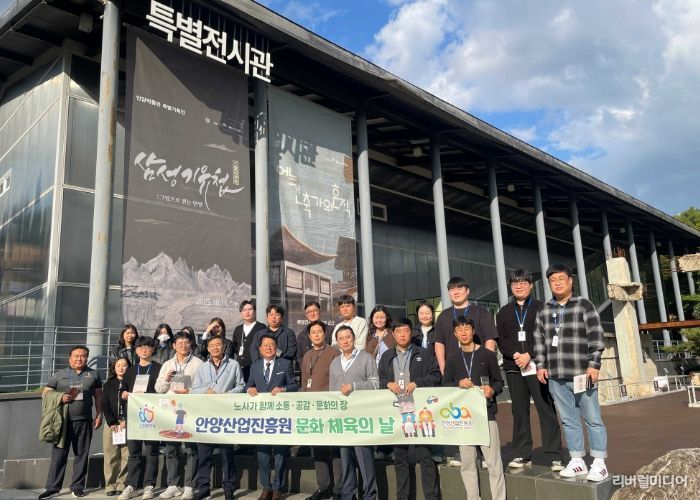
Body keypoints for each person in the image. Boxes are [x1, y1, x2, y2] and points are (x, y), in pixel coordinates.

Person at [534, 263, 609, 482]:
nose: (557, 283)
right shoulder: (545, 309)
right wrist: (540, 364)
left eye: (561, 279)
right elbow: (538, 339)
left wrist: (594, 364)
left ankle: (599, 462)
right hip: (556, 374)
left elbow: (596, 336)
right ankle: (577, 460)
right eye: (552, 280)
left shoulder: (584, 305)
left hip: (582, 373)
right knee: (568, 419)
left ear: (570, 281)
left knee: (592, 418)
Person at [496, 269, 563, 471]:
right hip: (514, 367)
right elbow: (501, 339)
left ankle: (554, 455)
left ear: (531, 285)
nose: (518, 286)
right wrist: (516, 355)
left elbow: (548, 334)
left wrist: (529, 355)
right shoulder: (503, 312)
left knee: (546, 408)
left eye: (522, 282)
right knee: (519, 411)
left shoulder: (542, 307)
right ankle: (522, 454)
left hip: (538, 365)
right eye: (514, 283)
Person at [443, 317, 506, 500]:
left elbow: (498, 381)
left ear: (473, 331)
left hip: (486, 415)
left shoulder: (487, 355)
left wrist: (492, 390)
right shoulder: (452, 357)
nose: (463, 333)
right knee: (467, 464)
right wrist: (458, 383)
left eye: (467, 329)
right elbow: (445, 384)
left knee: (494, 463)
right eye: (459, 330)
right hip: (464, 419)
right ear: (455, 334)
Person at [377, 318, 440, 500]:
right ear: (393, 334)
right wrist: (388, 384)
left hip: (420, 412)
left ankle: (432, 497)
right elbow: (380, 379)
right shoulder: (387, 356)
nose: (402, 335)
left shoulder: (424, 354)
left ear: (411, 332)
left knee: (425, 456)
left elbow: (436, 376)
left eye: (405, 330)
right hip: (397, 412)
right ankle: (403, 497)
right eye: (398, 331)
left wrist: (417, 383)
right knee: (400, 458)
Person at [39, 345, 103, 499]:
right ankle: (53, 488)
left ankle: (77, 487)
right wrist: (60, 397)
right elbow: (45, 393)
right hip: (62, 422)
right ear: (70, 358)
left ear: (86, 358)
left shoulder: (93, 374)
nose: (79, 359)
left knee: (82, 455)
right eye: (76, 356)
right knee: (58, 456)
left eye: (83, 356)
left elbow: (98, 396)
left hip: (84, 421)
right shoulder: (59, 374)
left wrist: (99, 415)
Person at [191, 335, 246, 500]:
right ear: (208, 348)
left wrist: (228, 394)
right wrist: (206, 391)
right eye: (212, 345)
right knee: (204, 456)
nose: (215, 348)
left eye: (218, 345)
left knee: (227, 455)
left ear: (224, 347)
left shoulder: (233, 364)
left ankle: (229, 488)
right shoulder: (202, 367)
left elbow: (241, 386)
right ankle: (203, 488)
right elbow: (194, 389)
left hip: (225, 416)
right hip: (206, 416)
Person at [246, 334, 298, 500]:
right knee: (262, 454)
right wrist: (249, 389)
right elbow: (248, 385)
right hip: (261, 418)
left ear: (276, 348)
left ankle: (277, 488)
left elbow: (294, 385)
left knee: (280, 453)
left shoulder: (285, 363)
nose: (269, 347)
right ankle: (266, 487)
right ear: (260, 349)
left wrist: (283, 389)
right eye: (265, 345)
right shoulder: (255, 366)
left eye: (272, 345)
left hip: (280, 417)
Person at [329, 325, 379, 500]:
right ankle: (348, 495)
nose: (345, 341)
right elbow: (332, 391)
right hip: (343, 419)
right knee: (346, 460)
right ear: (337, 342)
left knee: (364, 459)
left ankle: (369, 495)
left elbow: (376, 384)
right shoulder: (335, 362)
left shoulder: (366, 358)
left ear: (354, 338)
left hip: (361, 417)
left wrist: (354, 386)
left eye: (348, 337)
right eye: (341, 338)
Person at [155, 332, 204, 499]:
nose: (183, 345)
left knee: (191, 449)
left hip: (191, 411)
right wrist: (167, 379)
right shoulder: (167, 364)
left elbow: (204, 387)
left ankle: (189, 486)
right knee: (171, 449)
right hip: (170, 411)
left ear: (191, 345)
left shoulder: (198, 363)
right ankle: (173, 485)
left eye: (186, 342)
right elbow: (158, 389)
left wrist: (189, 391)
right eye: (180, 342)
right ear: (174, 345)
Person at [300, 321, 341, 500]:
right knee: (318, 449)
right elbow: (304, 382)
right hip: (313, 409)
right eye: (313, 332)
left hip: (330, 406)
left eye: (319, 332)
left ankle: (339, 489)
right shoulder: (307, 355)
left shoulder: (334, 352)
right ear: (309, 336)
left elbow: (338, 379)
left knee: (336, 449)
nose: (316, 335)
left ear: (325, 334)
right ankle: (323, 487)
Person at [119, 337, 162, 500]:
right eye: (140, 347)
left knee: (152, 452)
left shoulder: (158, 369)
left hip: (152, 416)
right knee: (134, 453)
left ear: (152, 349)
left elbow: (162, 391)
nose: (144, 350)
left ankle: (149, 485)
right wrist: (124, 395)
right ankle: (131, 485)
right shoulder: (130, 371)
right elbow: (123, 391)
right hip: (133, 416)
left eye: (147, 347)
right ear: (136, 350)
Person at [411, 300, 443, 464]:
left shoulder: (439, 331)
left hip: (434, 376)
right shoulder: (412, 333)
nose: (425, 316)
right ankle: (420, 452)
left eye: (428, 312)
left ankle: (438, 451)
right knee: (418, 416)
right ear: (417, 315)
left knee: (434, 415)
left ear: (432, 314)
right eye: (421, 313)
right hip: (416, 378)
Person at [102, 357, 131, 497]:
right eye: (118, 365)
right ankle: (110, 485)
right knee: (110, 455)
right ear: (114, 368)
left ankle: (122, 483)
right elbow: (104, 403)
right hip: (112, 424)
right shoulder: (108, 384)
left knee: (127, 454)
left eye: (124, 365)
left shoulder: (132, 383)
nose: (121, 368)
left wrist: (127, 419)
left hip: (128, 423)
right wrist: (112, 422)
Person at [230, 300, 266, 381]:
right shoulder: (238, 329)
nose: (247, 312)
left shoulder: (261, 328)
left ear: (255, 312)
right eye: (244, 310)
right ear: (241, 313)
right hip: (240, 369)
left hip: (256, 368)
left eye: (250, 309)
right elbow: (235, 348)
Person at [295, 301, 334, 369]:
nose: (312, 314)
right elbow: (299, 356)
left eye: (315, 310)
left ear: (320, 311)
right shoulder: (301, 335)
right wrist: (306, 369)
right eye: (309, 312)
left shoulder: (331, 330)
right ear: (306, 315)